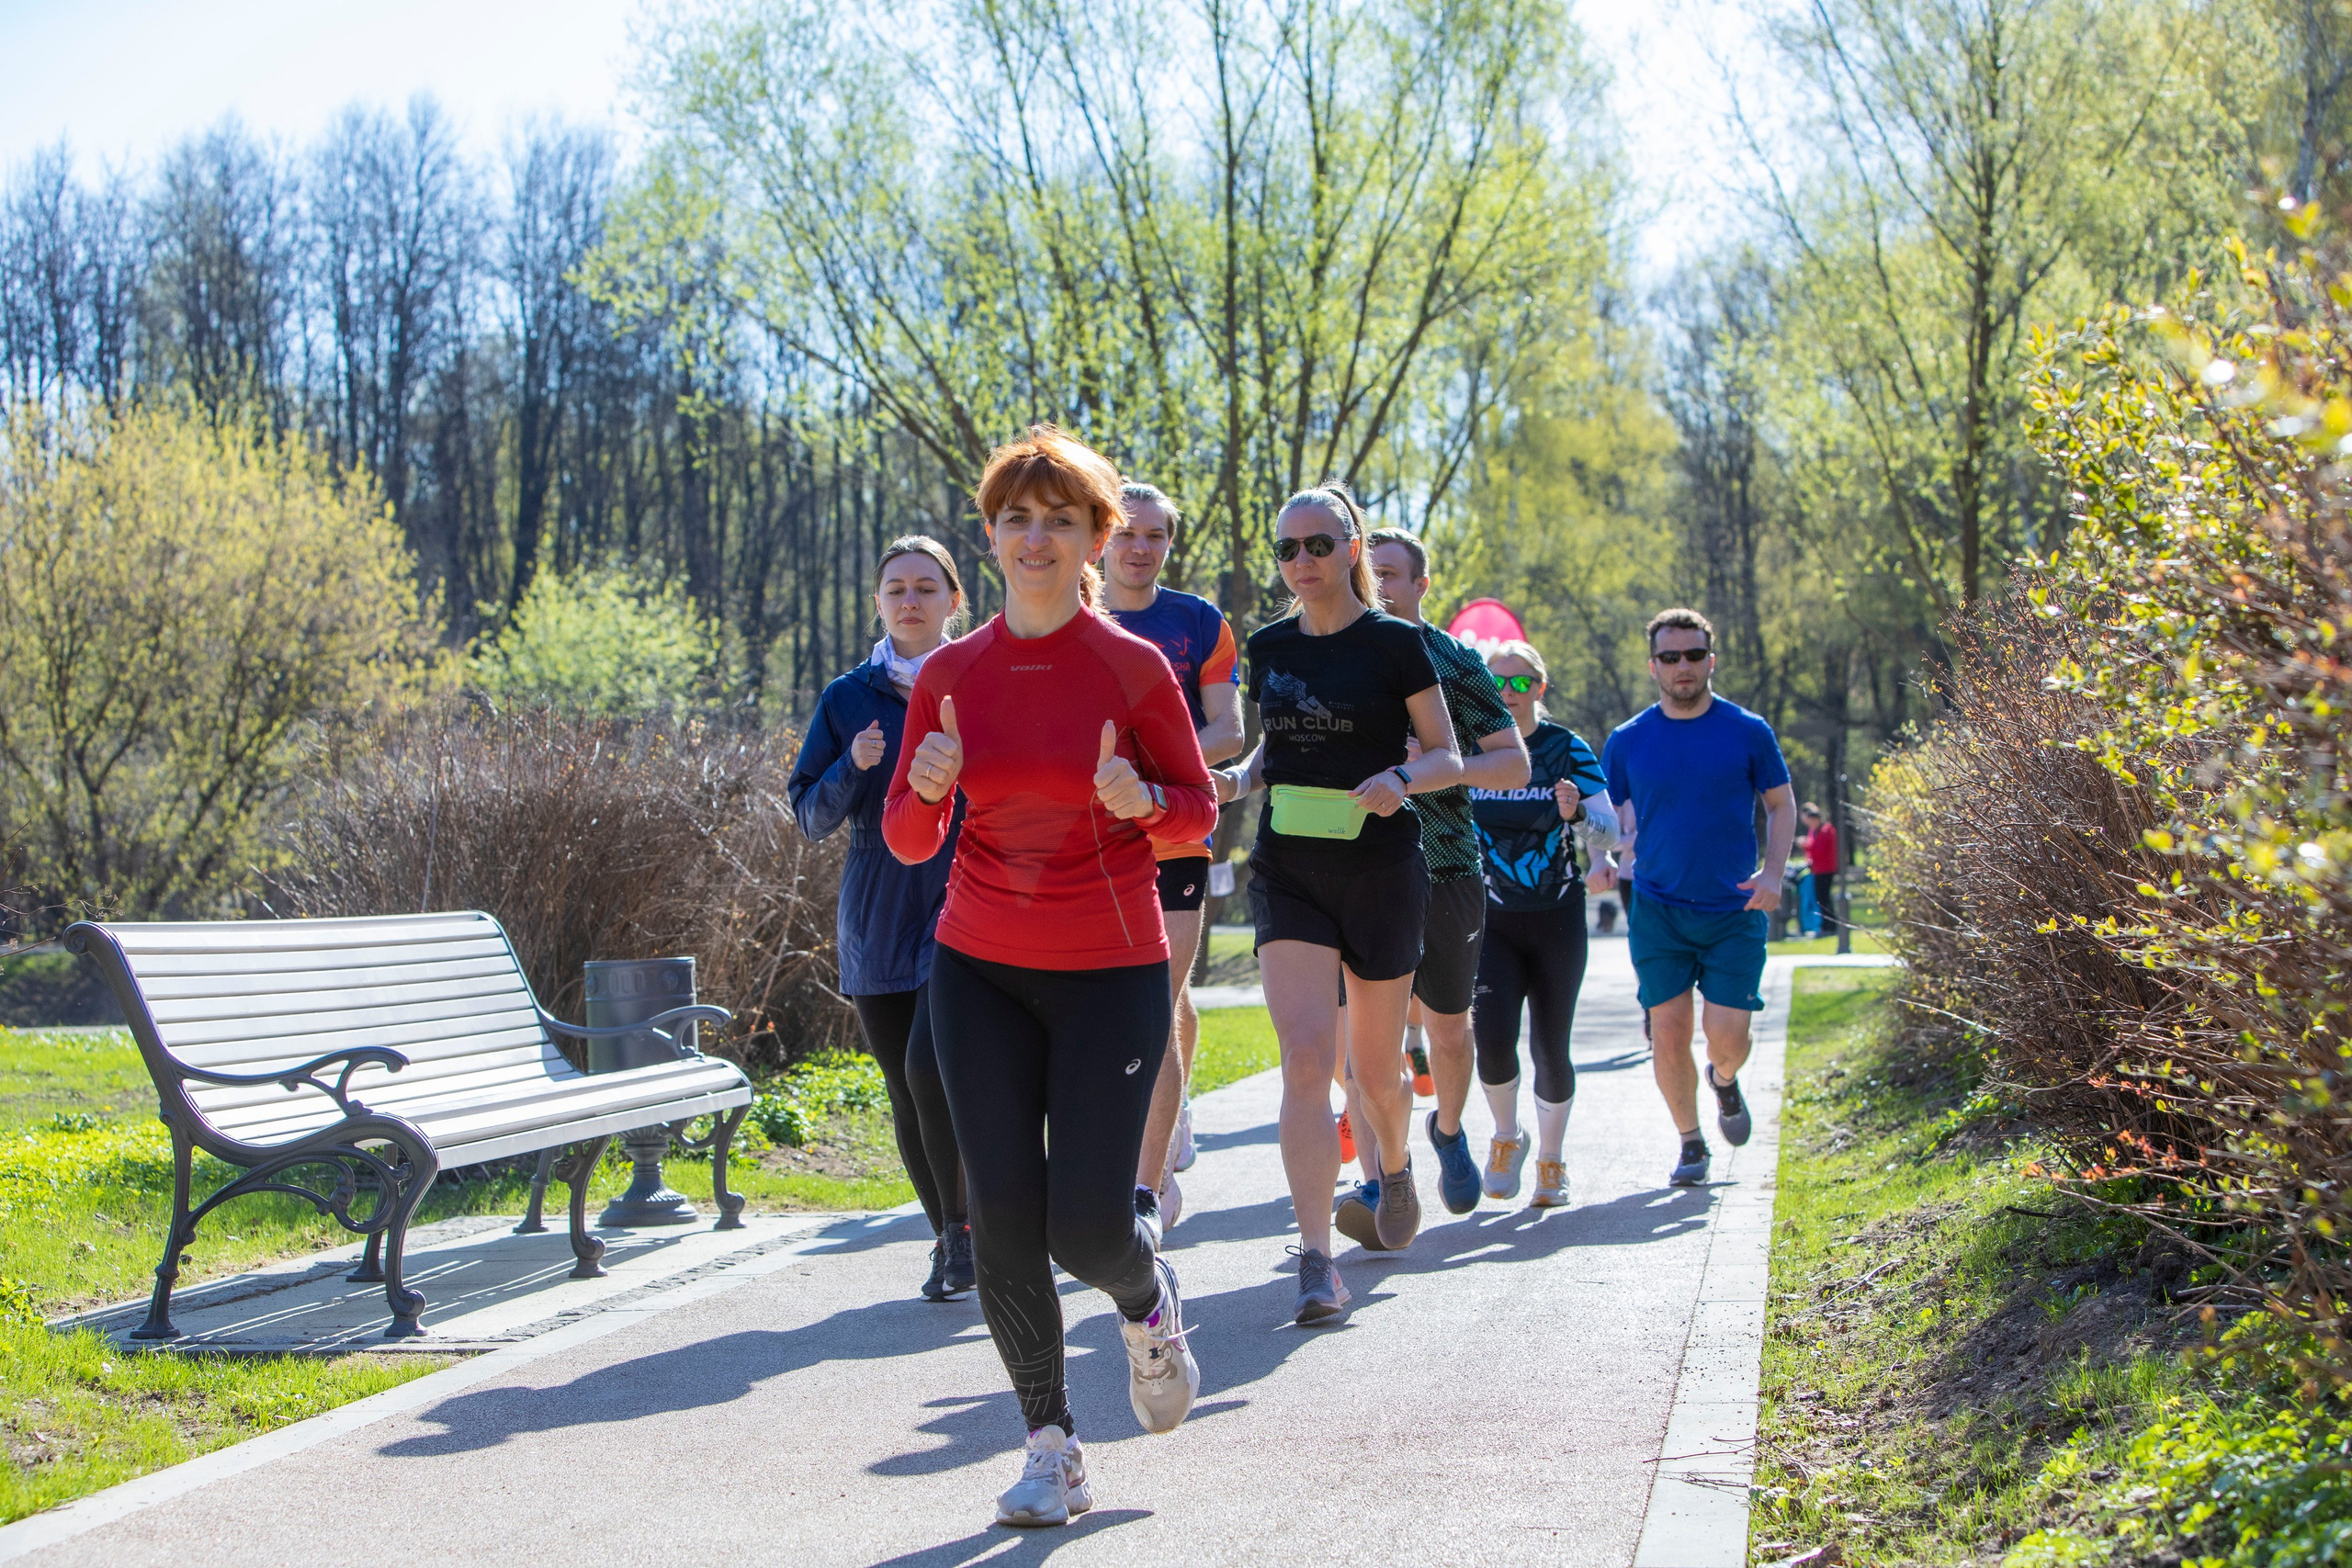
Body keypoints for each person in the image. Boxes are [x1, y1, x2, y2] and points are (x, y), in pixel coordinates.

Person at [883, 425, 1216, 1529]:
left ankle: (1145, 1300)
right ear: (990, 535)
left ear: (1095, 539)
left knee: (1085, 1228)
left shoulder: (1131, 668)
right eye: (1017, 519)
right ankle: (1050, 1447)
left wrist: (1143, 803)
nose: (1036, 539)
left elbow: (1196, 816)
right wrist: (926, 788)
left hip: (1109, 972)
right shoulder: (951, 674)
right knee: (1002, 1219)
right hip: (977, 969)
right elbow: (908, 842)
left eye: (1060, 521)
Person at [1205, 483, 1462, 1323]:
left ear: (1352, 548)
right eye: (1287, 548)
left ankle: (1395, 1163)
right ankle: (1316, 1258)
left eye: (1319, 544)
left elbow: (1448, 754)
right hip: (1289, 867)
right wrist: (1238, 779)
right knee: (1308, 1061)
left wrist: (1402, 777)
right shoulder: (1269, 644)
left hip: (1381, 868)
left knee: (1375, 1074)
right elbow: (1277, 743)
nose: (1302, 560)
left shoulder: (1396, 643)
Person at [788, 536, 972, 1302]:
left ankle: (975, 1226)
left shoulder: (978, 678)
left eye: (926, 587)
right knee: (905, 1087)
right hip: (876, 907)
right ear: (877, 602)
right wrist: (851, 764)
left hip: (963, 894)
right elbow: (808, 815)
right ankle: (951, 1237)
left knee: (935, 1070)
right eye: (896, 588)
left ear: (953, 600)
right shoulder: (847, 697)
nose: (910, 600)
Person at [1331, 529, 1525, 1244]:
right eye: (1368, 572)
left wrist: (1437, 764)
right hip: (1356, 871)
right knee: (1367, 1042)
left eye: (1390, 574)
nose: (1376, 585)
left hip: (1446, 868)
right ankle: (1383, 1176)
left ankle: (1446, 1128)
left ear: (1421, 585)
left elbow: (1514, 764)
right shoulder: (1332, 654)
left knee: (1446, 1028)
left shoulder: (1454, 660)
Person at [1589, 608, 1796, 1188]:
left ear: (1711, 659)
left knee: (1728, 1041)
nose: (1683, 666)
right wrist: (1598, 860)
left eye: (1694, 654)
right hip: (1658, 907)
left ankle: (1723, 1081)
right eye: (1670, 656)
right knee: (1669, 1029)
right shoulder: (1628, 740)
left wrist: (1773, 873)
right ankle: (1690, 1142)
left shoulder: (1748, 730)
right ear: (1653, 665)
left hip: (1735, 908)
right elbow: (1602, 811)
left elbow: (1781, 803)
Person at [1102, 481, 1245, 1240]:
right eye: (1127, 532)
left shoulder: (1198, 622)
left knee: (1158, 1000)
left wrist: (1152, 774)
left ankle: (1146, 1189)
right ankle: (1165, 1114)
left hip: (1175, 831)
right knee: (1116, 1008)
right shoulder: (1069, 614)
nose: (1140, 547)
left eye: (1155, 534)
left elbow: (1228, 730)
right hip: (1088, 838)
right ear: (1101, 537)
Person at [1466, 639, 1612, 1207]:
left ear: (1540, 687)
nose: (1510, 691)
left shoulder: (1565, 747)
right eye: (1499, 681)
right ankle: (1507, 1137)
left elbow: (1611, 832)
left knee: (1552, 1046)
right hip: (1492, 920)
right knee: (1492, 1041)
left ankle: (1552, 1161)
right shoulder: (1471, 748)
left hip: (1557, 917)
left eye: (1522, 681)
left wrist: (1578, 816)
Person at [1802, 803, 1840, 933]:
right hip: (1817, 869)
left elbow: (1819, 850)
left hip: (1826, 870)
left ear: (1816, 819)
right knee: (1821, 898)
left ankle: (1829, 926)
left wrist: (1805, 846)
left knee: (1824, 899)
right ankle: (1826, 925)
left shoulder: (1826, 830)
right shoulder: (1814, 830)